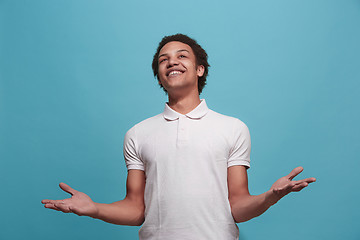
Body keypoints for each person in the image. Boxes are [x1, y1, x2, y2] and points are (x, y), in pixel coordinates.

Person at [41, 33, 316, 240]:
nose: (172, 60)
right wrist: (95, 209)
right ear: (159, 76)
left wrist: (270, 197)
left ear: (200, 69)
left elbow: (238, 206)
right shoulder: (137, 134)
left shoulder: (233, 128)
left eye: (182, 55)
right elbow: (137, 209)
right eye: (164, 59)